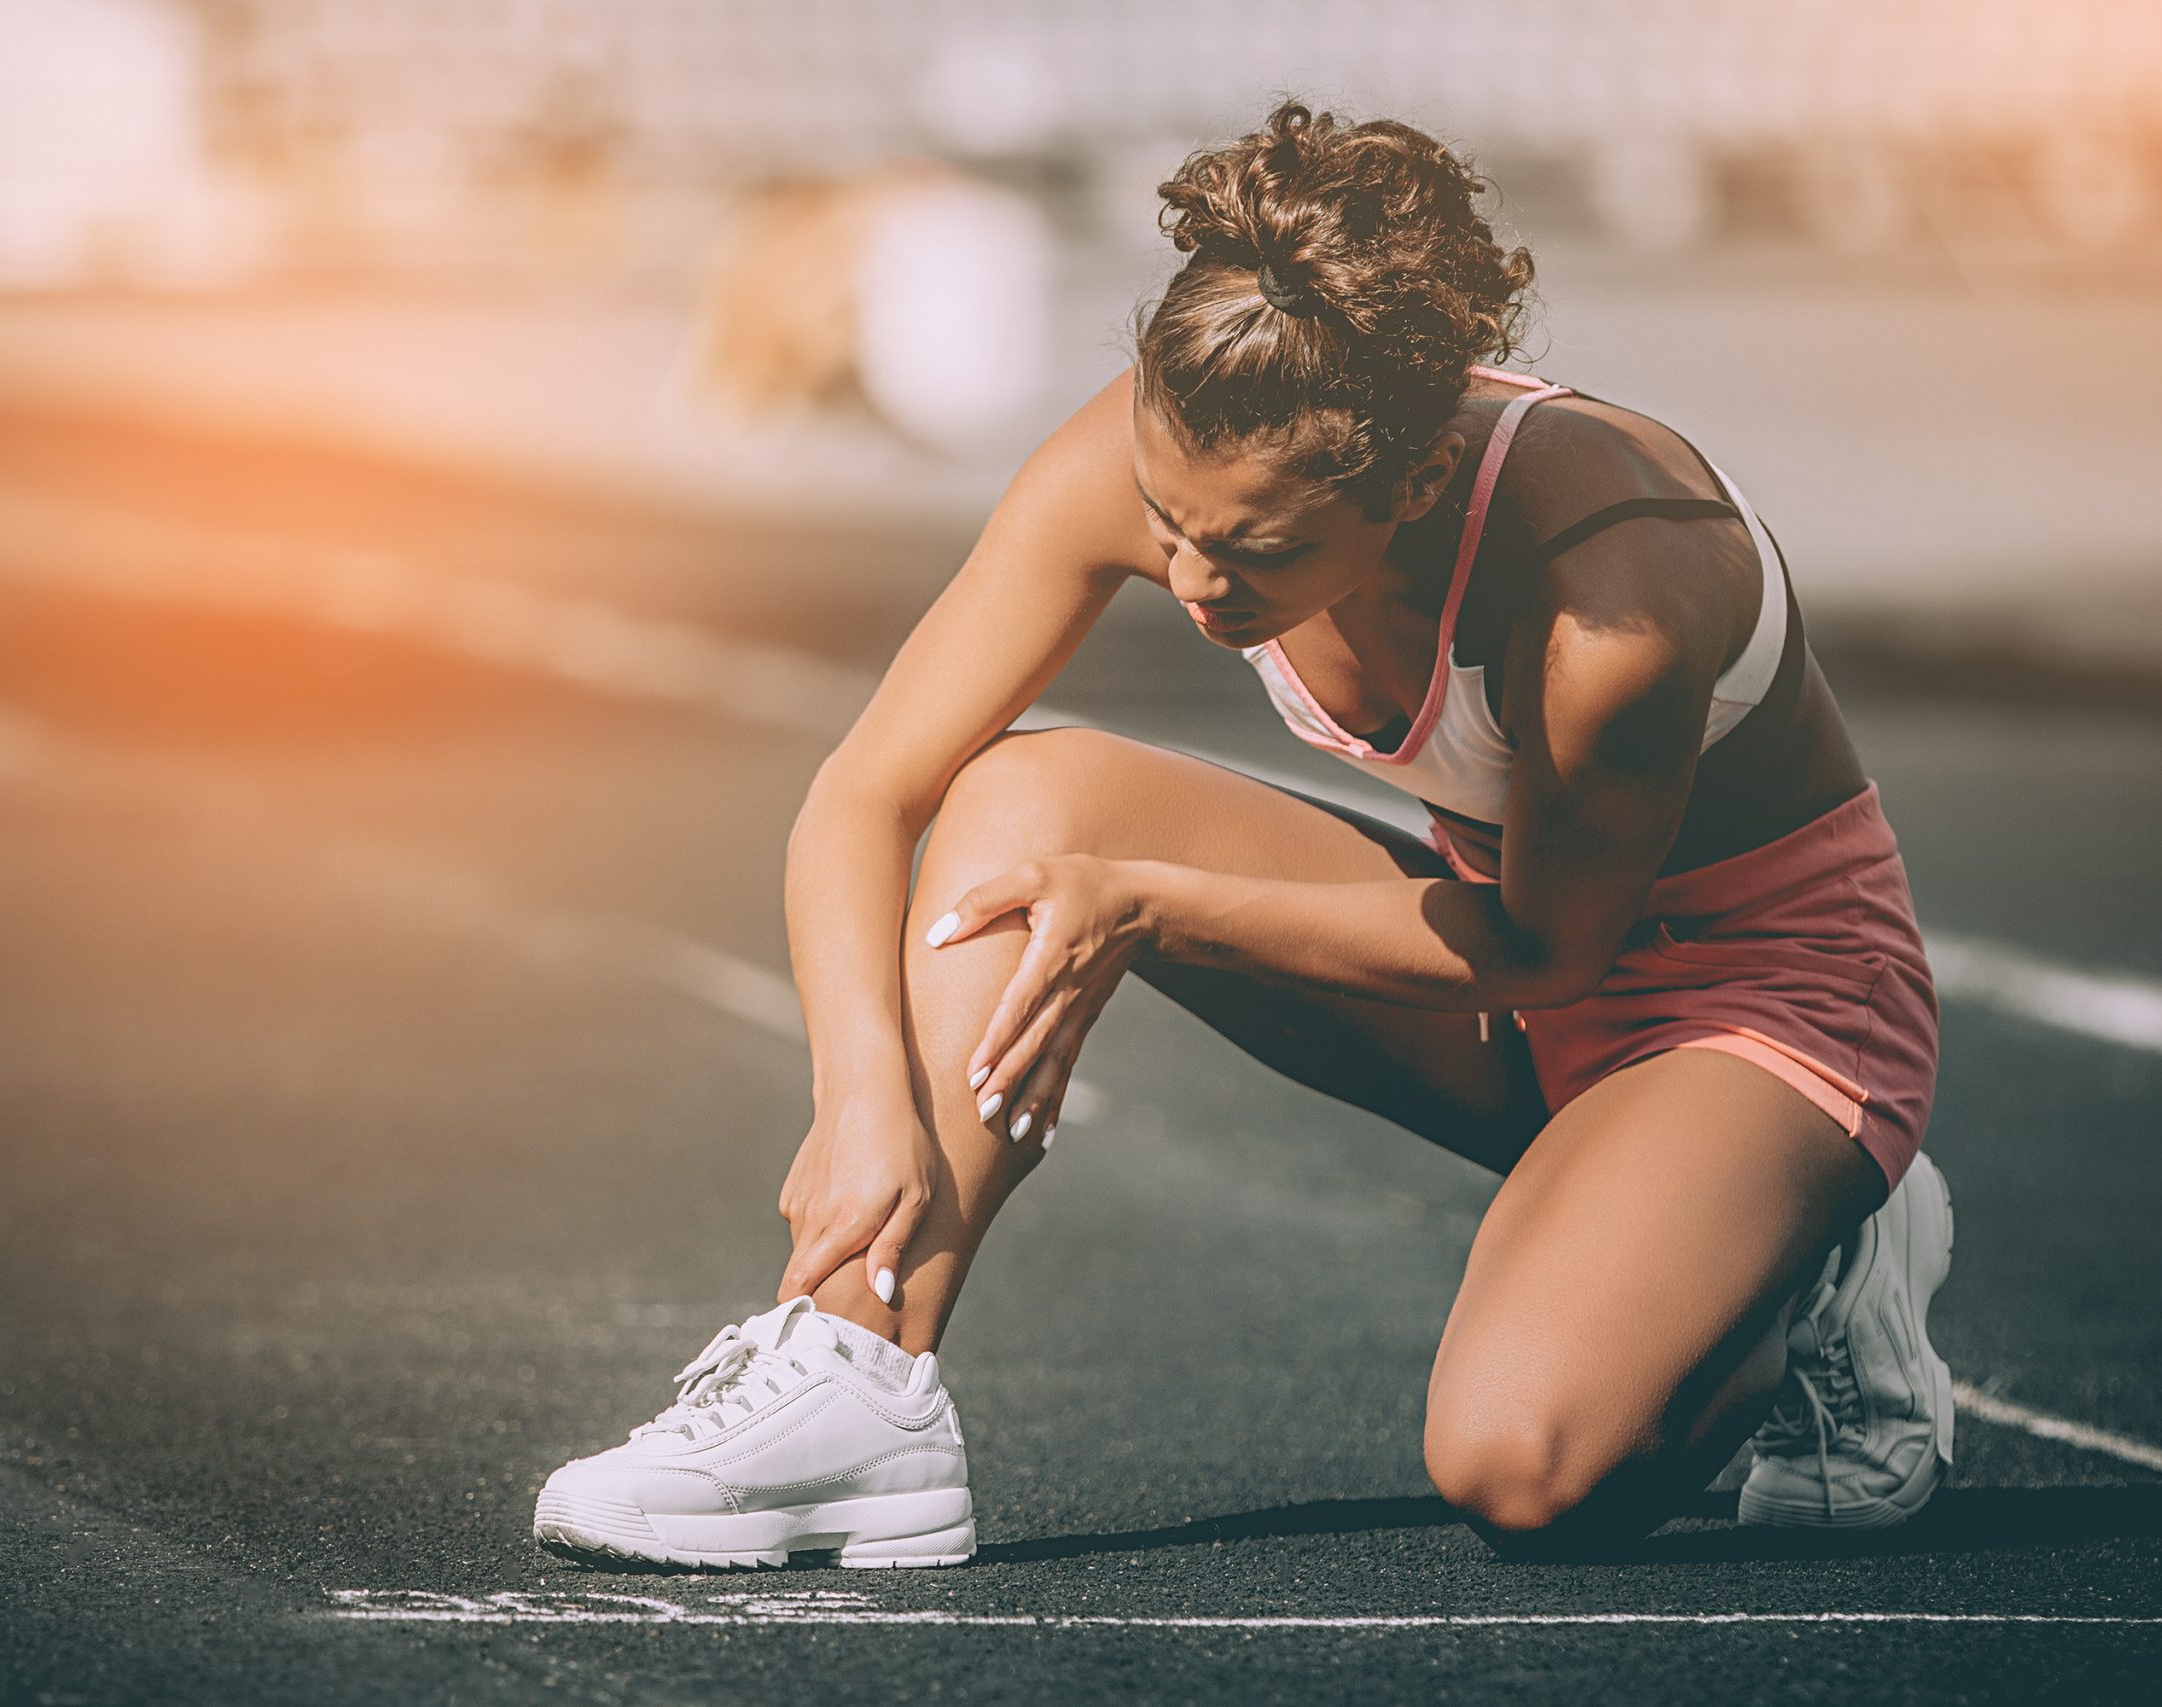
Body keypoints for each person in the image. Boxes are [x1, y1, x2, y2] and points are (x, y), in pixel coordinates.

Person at [534, 101, 1955, 1570]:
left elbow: (1547, 953)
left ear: (1410, 484)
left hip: (1752, 1008)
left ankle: (1807, 1266)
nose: (1195, 581)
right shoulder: (1176, 445)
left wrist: (1154, 907)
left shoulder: (1621, 594)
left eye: (1260, 551)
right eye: (1166, 521)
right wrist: (857, 1100)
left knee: (1522, 1468)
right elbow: (864, 791)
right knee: (1019, 798)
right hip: (1498, 958)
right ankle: (857, 1379)